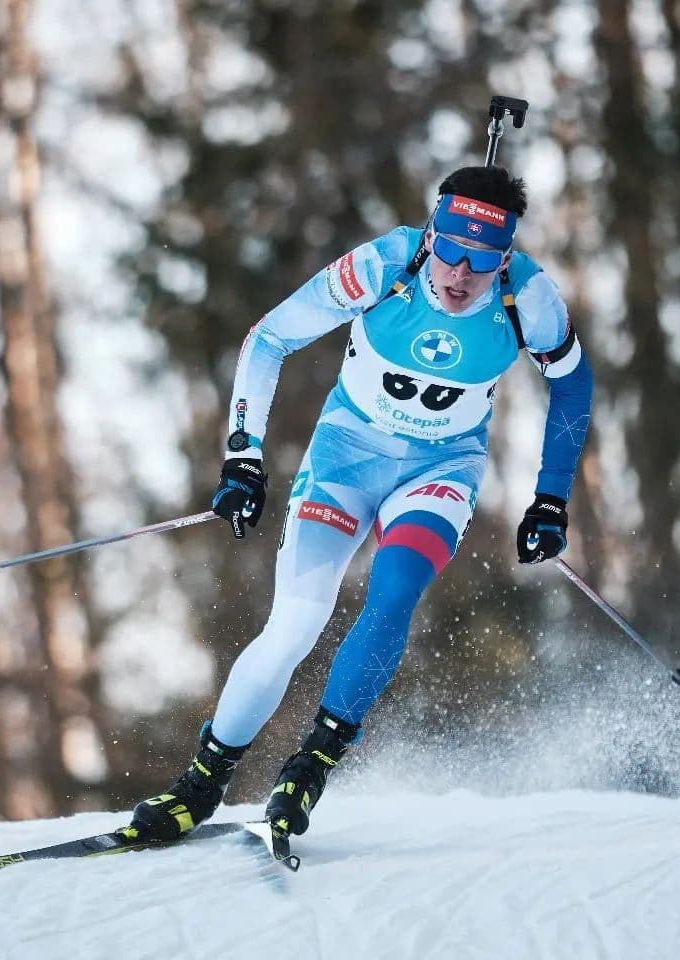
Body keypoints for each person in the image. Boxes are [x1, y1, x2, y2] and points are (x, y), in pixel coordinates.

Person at [126, 164, 593, 841]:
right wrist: (244, 455)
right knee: (295, 625)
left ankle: (311, 766)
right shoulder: (384, 265)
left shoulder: (532, 299)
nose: (460, 276)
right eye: (450, 252)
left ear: (507, 258)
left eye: (483, 263)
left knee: (395, 587)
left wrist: (550, 499)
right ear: (432, 234)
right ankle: (200, 785)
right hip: (347, 457)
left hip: (441, 467)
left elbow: (574, 388)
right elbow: (270, 337)